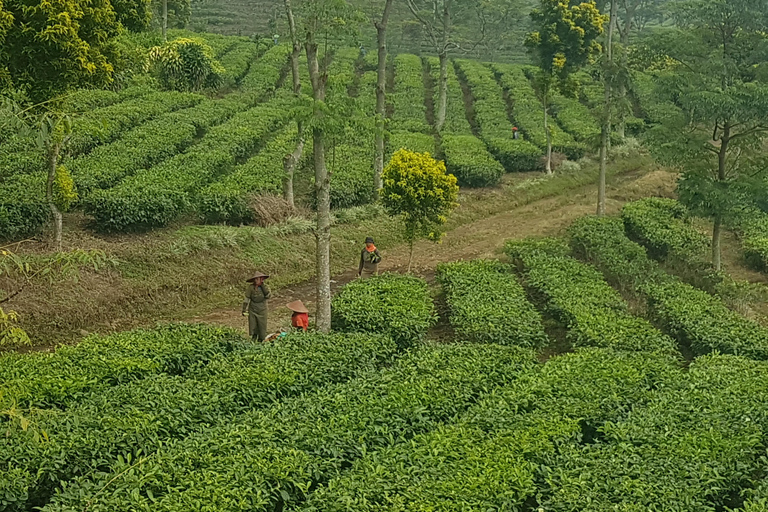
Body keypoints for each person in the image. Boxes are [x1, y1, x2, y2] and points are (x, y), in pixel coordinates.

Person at [242, 271, 271, 341]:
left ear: (261, 279)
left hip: (262, 309)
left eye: (258, 279)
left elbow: (268, 296)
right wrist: (244, 309)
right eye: (255, 279)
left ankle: (261, 339)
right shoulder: (251, 287)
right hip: (253, 308)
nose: (256, 281)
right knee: (253, 325)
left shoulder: (266, 287)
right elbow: (247, 298)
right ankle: (253, 338)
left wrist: (262, 286)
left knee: (262, 325)